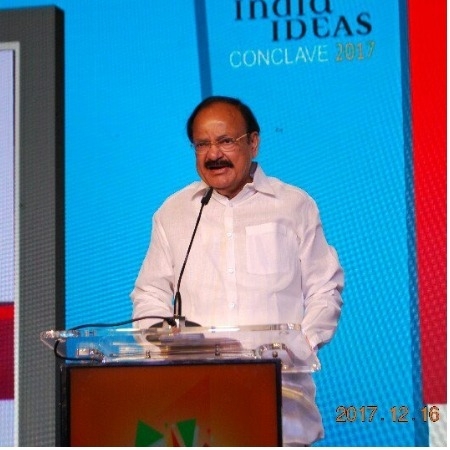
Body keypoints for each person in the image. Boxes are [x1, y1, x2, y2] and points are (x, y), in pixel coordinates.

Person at [130, 95, 344, 446]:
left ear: (253, 142)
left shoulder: (294, 206)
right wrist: (162, 342)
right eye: (202, 144)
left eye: (226, 140)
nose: (214, 154)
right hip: (196, 405)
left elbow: (325, 288)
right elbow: (149, 293)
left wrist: (302, 345)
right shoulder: (174, 213)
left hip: (281, 401)